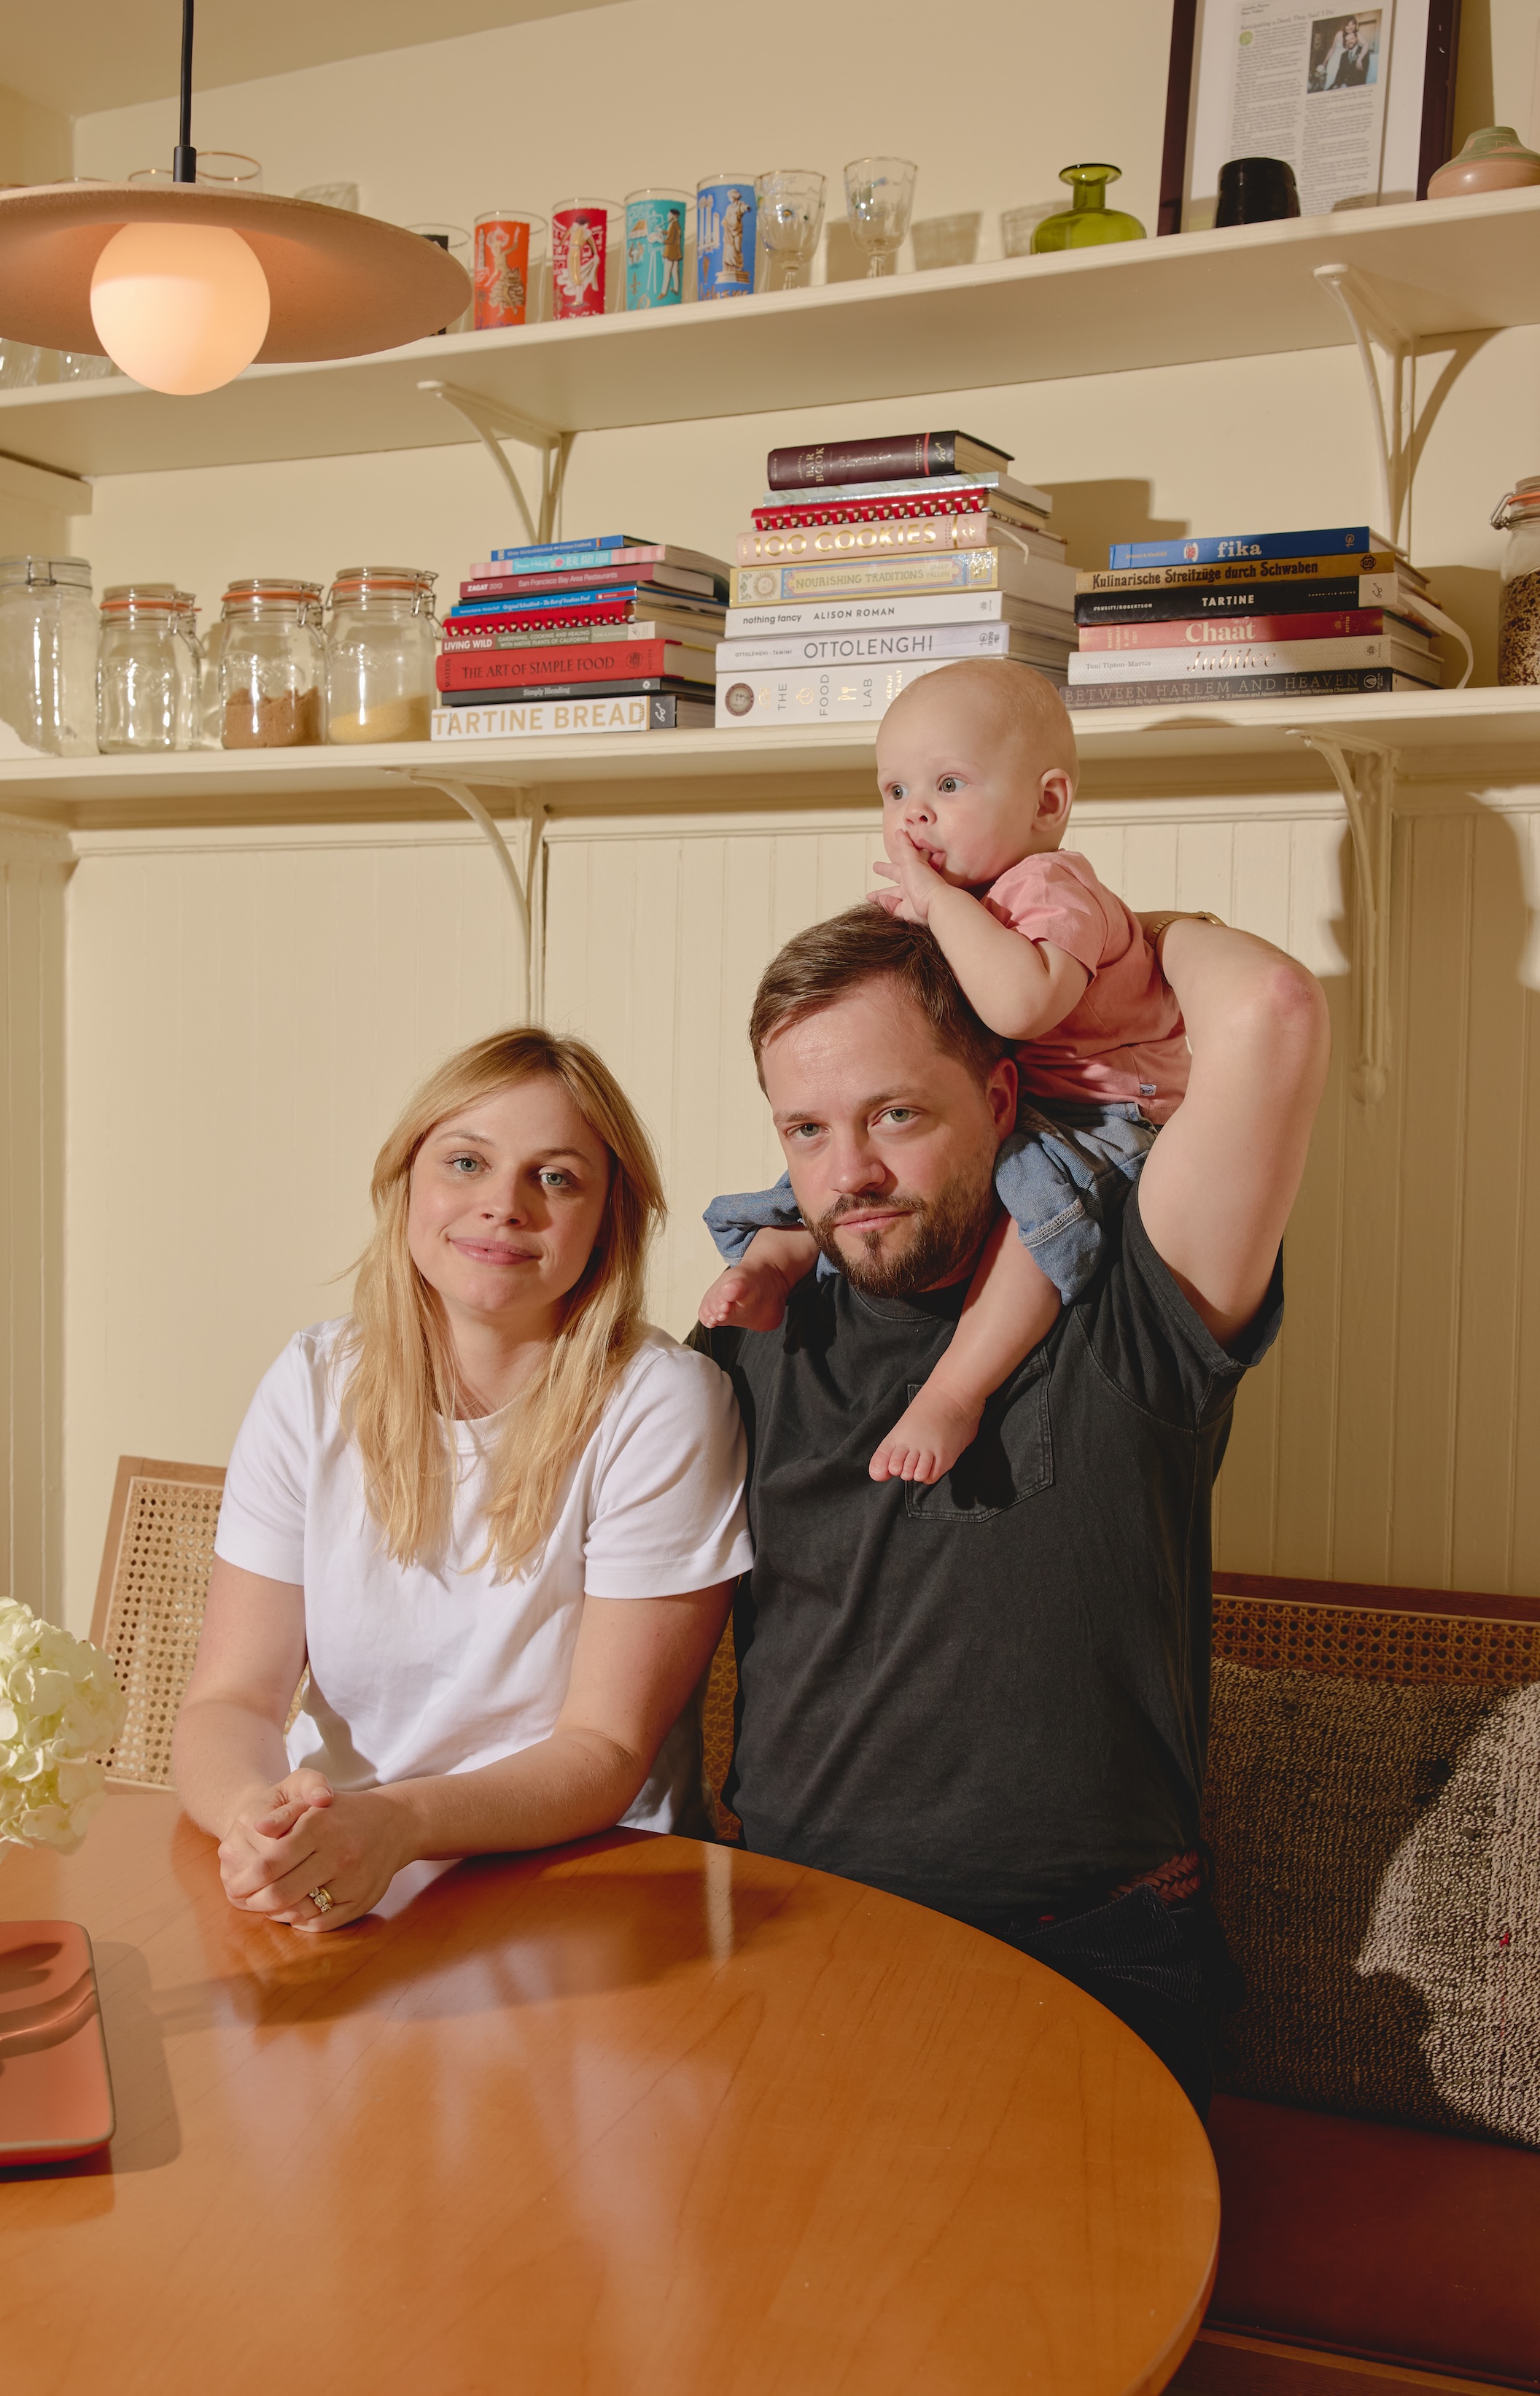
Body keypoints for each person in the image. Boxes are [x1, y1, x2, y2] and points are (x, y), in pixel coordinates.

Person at [690, 895, 1329, 2113]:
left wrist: (1060, 936)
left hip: (1086, 1952)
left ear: (995, 1100)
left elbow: (1271, 1013)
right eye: (806, 1131)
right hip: (791, 1929)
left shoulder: (1132, 1302)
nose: (849, 1173)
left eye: (892, 1114)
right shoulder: (753, 1332)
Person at [174, 1028, 751, 1930]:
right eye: (467, 1162)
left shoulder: (663, 1402)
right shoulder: (313, 1380)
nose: (503, 1206)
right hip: (336, 1873)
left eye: (555, 1177)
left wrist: (398, 1824)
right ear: (407, 1183)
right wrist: (260, 1823)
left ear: (608, 1216)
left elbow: (603, 1751)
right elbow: (231, 1700)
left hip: (581, 1890)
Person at [701, 661, 1189, 1484]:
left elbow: (1021, 1007)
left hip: (1109, 1110)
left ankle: (956, 1392)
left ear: (1047, 803)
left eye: (949, 784)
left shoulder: (1050, 887)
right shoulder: (949, 896)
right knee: (838, 1154)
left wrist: (934, 902)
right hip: (1033, 1099)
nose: (914, 812)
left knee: (1038, 1215)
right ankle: (774, 1260)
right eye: (894, 792)